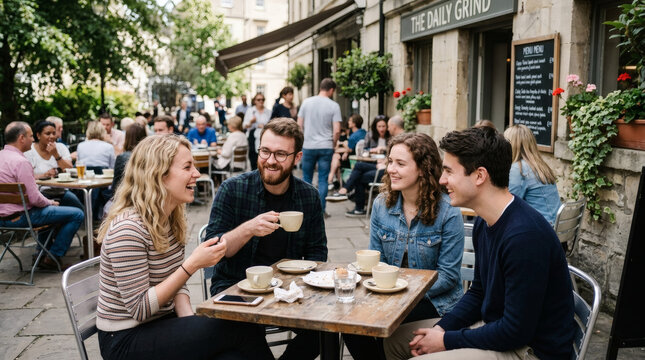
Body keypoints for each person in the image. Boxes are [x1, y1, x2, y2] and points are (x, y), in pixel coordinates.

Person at [384, 127, 575, 360]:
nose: (442, 180)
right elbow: (479, 292)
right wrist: (442, 329)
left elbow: (516, 331)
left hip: (531, 350)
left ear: (479, 176)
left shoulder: (524, 237)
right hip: (497, 328)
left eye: (449, 171)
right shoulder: (485, 221)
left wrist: (445, 341)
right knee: (393, 342)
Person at [95, 135, 272, 360]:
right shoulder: (128, 229)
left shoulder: (169, 218)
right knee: (241, 327)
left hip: (161, 324)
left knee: (234, 351)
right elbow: (139, 309)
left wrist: (190, 322)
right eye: (187, 167)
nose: (196, 174)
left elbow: (176, 284)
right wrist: (192, 265)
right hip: (125, 339)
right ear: (158, 174)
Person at [206, 117, 327, 360]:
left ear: (297, 157)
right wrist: (248, 228)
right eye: (265, 151)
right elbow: (211, 252)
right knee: (242, 330)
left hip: (290, 291)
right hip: (235, 287)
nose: (270, 161)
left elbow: (317, 254)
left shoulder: (309, 196)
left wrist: (299, 286)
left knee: (327, 330)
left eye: (281, 154)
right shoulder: (233, 189)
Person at [344, 133, 464, 360]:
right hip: (389, 294)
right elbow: (375, 260)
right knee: (348, 320)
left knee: (376, 323)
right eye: (390, 161)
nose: (390, 169)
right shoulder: (382, 204)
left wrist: (400, 290)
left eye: (400, 163)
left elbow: (448, 276)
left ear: (423, 168)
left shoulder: (448, 210)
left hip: (434, 301)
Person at [0, 122, 84, 270]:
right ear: (21, 138)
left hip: (3, 220)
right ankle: (53, 256)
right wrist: (50, 202)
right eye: (31, 136)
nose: (33, 140)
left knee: (52, 211)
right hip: (22, 216)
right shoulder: (21, 162)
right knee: (77, 214)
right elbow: (35, 199)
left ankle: (41, 254)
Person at [327, 115, 405, 217]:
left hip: (386, 171)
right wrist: (385, 161)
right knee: (359, 166)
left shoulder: (401, 139)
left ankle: (349, 196)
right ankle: (346, 192)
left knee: (359, 176)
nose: (387, 129)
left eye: (388, 126)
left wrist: (385, 164)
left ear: (393, 126)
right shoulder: (399, 138)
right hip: (383, 167)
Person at [297, 78, 342, 215]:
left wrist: (301, 143)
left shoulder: (306, 102)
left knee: (306, 178)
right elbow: (337, 130)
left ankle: (306, 209)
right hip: (325, 146)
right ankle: (320, 210)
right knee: (323, 179)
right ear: (331, 90)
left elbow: (299, 125)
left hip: (308, 145)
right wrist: (333, 144)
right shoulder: (334, 106)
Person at [504, 124, 561, 225]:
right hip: (556, 229)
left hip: (541, 231)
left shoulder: (518, 169)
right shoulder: (540, 165)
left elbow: (506, 204)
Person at [24, 120, 84, 210]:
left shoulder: (60, 147)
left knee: (81, 209)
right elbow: (26, 177)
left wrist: (56, 155)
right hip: (40, 192)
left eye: (53, 133)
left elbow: (69, 168)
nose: (52, 136)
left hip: (61, 191)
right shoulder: (29, 151)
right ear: (38, 135)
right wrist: (44, 175)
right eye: (48, 133)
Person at [327, 114, 366, 190]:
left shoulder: (353, 136)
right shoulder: (363, 132)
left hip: (352, 160)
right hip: (358, 158)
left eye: (350, 120)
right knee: (337, 160)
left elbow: (349, 149)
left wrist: (337, 148)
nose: (348, 122)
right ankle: (338, 184)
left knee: (336, 158)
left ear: (354, 124)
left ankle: (331, 179)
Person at [111, 123, 148, 193]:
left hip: (126, 197)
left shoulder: (122, 158)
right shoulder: (150, 156)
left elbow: (115, 186)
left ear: (127, 138)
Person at [243, 93, 271, 170]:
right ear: (255, 101)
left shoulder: (268, 111)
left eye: (262, 99)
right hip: (253, 136)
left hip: (265, 136)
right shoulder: (250, 111)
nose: (261, 101)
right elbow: (244, 125)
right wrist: (251, 122)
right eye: (258, 100)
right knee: (253, 158)